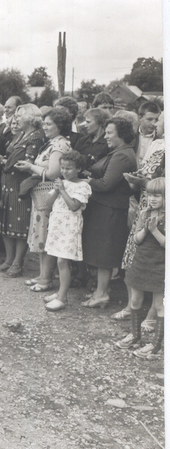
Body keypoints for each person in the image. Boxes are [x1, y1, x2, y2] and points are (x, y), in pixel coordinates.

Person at [80, 117, 138, 308]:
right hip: (104, 208)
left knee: (104, 254)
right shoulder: (118, 152)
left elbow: (106, 184)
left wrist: (87, 182)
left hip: (110, 209)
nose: (106, 136)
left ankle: (102, 293)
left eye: (110, 132)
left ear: (122, 134)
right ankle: (101, 291)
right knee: (100, 253)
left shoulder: (122, 155)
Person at [16, 106, 73, 290]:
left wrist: (31, 167)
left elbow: (53, 173)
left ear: (60, 125)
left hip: (50, 196)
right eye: (44, 123)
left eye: (49, 124)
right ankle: (42, 274)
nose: (45, 127)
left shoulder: (60, 145)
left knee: (45, 235)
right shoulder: (50, 144)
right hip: (41, 196)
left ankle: (46, 279)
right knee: (40, 234)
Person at [115, 177, 165, 359]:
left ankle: (156, 346)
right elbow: (136, 239)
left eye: (157, 196)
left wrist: (154, 230)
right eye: (150, 195)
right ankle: (135, 336)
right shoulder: (145, 213)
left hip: (160, 264)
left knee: (160, 305)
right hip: (142, 260)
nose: (152, 199)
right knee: (135, 300)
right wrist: (145, 228)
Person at [0, 103, 44, 276]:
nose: (16, 119)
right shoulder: (21, 134)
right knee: (6, 221)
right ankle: (9, 259)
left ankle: (18, 261)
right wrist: (3, 160)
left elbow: (29, 162)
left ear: (30, 118)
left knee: (20, 223)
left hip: (21, 183)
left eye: (20, 115)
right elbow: (12, 156)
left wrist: (6, 163)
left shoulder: (36, 137)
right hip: (9, 181)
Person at [42, 151, 92, 311]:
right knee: (58, 260)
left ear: (78, 169)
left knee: (63, 261)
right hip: (57, 225)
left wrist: (62, 190)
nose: (64, 171)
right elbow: (47, 204)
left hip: (70, 226)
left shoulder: (83, 186)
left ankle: (63, 298)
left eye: (69, 168)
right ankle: (59, 293)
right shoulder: (61, 183)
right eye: (62, 168)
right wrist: (56, 190)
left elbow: (74, 206)